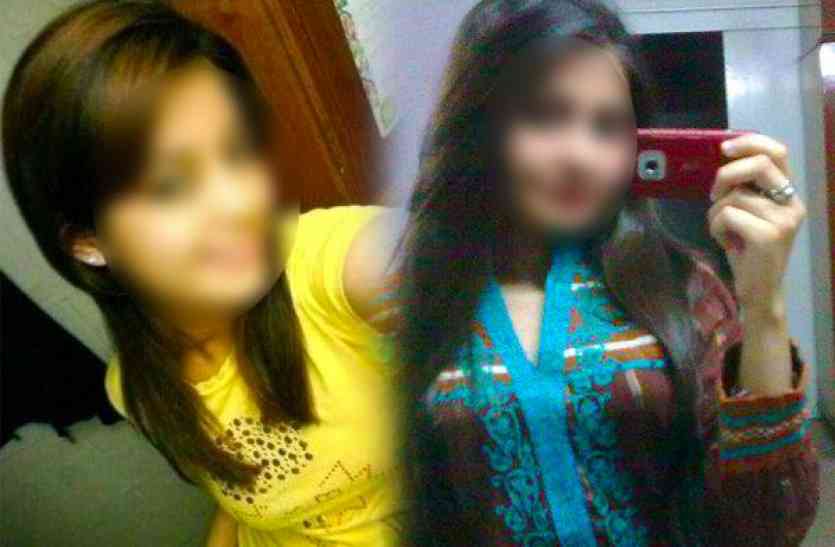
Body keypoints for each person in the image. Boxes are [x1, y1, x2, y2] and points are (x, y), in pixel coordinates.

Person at [395, 1, 820, 545]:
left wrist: (764, 301)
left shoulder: (681, 285)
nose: (582, 155)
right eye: (543, 115)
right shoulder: (414, 300)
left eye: (608, 126)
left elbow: (770, 522)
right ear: (477, 128)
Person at [2, 1, 408, 545]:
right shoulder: (135, 389)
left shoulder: (324, 267)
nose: (240, 203)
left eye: (239, 152)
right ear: (90, 243)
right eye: (170, 185)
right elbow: (254, 509)